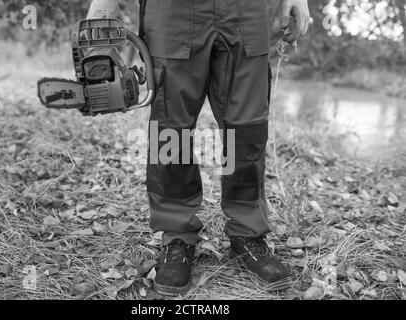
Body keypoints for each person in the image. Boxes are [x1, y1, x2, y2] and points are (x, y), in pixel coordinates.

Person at [87, 0, 311, 296]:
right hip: (172, 10)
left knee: (247, 130)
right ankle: (177, 236)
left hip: (247, 9)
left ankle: (247, 232)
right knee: (171, 130)